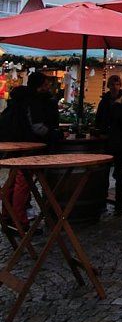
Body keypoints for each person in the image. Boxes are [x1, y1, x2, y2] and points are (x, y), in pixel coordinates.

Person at [0, 71, 62, 232]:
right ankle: (20, 221)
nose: (48, 87)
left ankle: (7, 217)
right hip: (29, 146)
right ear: (39, 86)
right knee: (23, 182)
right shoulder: (33, 101)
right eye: (46, 84)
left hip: (15, 144)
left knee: (12, 181)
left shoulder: (19, 98)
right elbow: (37, 127)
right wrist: (54, 134)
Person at [95, 75, 122, 217]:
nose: (115, 87)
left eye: (117, 84)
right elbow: (99, 120)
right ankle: (104, 202)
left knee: (119, 172)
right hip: (110, 140)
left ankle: (118, 203)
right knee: (106, 173)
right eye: (113, 84)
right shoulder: (105, 101)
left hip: (120, 141)